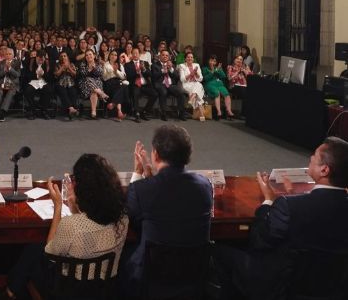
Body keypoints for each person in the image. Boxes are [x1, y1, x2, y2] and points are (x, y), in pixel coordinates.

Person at [215, 137, 348, 300]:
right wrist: (293, 196)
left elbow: (259, 241)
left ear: (324, 170)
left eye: (314, 156)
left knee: (221, 247)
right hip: (333, 287)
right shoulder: (294, 204)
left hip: (282, 285)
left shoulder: (288, 206)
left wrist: (268, 201)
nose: (311, 158)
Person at [6, 154, 129, 299]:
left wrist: (58, 206)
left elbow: (50, 251)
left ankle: (10, 291)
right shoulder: (122, 219)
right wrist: (76, 208)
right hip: (103, 290)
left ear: (83, 189)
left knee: (33, 251)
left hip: (68, 291)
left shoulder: (72, 225)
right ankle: (12, 289)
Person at [121, 125, 213, 296]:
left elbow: (132, 221)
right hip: (193, 275)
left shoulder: (141, 190)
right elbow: (171, 196)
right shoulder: (205, 185)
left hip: (150, 280)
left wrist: (138, 172)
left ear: (155, 154)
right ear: (188, 154)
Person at [151, 50, 187, 121]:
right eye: (163, 55)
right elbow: (154, 76)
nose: (165, 57)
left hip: (170, 85)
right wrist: (162, 71)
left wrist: (171, 69)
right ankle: (163, 113)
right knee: (163, 92)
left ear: (169, 57)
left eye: (167, 55)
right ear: (160, 56)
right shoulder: (155, 65)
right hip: (160, 84)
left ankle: (181, 113)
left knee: (181, 93)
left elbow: (177, 76)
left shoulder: (172, 65)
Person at [124, 48, 158, 123]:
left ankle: (145, 111)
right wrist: (137, 72)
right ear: (131, 55)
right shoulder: (127, 65)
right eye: (133, 53)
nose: (135, 55)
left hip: (145, 85)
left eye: (137, 53)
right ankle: (137, 114)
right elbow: (129, 76)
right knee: (135, 94)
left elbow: (150, 74)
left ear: (139, 54)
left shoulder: (145, 63)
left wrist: (144, 70)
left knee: (155, 94)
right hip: (135, 84)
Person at [77, 49, 109, 119]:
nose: (88, 56)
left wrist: (94, 68)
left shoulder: (98, 63)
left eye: (90, 54)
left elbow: (100, 73)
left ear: (94, 56)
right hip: (85, 86)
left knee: (93, 91)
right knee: (88, 79)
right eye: (87, 55)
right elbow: (83, 74)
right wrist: (90, 69)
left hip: (97, 85)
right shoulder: (83, 64)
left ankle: (93, 112)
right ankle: (102, 94)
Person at [22, 50, 54, 120]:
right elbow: (26, 75)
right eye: (39, 59)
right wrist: (36, 75)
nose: (41, 61)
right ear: (36, 57)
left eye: (42, 60)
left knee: (48, 90)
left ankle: (44, 110)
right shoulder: (30, 61)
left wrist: (43, 74)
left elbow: (50, 77)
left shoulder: (48, 63)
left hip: (43, 81)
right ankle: (32, 110)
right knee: (28, 91)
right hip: (33, 81)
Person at [202, 55, 234, 120]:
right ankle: (219, 111)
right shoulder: (205, 69)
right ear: (208, 61)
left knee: (226, 93)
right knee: (217, 93)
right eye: (211, 60)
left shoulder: (218, 68)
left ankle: (229, 110)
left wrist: (219, 70)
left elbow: (223, 76)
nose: (212, 62)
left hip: (219, 84)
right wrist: (214, 71)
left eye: (214, 61)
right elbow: (205, 79)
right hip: (209, 84)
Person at [177, 52, 207, 122]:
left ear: (193, 59)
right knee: (198, 88)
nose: (190, 58)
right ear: (185, 58)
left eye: (191, 57)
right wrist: (191, 74)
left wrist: (196, 73)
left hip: (195, 84)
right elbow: (182, 79)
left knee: (198, 85)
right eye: (188, 57)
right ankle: (202, 115)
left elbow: (201, 79)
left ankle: (191, 98)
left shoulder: (196, 65)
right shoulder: (182, 66)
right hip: (187, 84)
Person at [0, 47, 20, 122]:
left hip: (13, 85)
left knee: (10, 92)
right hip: (2, 84)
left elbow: (18, 74)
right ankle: (0, 111)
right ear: (4, 55)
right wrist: (4, 70)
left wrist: (10, 69)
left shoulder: (17, 63)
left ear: (13, 55)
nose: (8, 55)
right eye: (6, 54)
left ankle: (1, 113)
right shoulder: (0, 63)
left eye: (10, 54)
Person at [102, 51, 129, 122]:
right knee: (122, 88)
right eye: (112, 54)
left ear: (117, 57)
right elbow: (104, 78)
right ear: (109, 56)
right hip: (109, 83)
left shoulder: (120, 65)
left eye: (115, 55)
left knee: (122, 87)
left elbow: (123, 77)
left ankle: (114, 106)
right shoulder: (106, 64)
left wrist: (116, 71)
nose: (113, 56)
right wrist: (112, 73)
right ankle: (119, 111)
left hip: (117, 82)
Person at [54, 51, 80, 120]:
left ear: (67, 57)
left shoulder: (71, 64)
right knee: (63, 93)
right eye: (62, 56)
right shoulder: (57, 64)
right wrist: (62, 68)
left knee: (73, 92)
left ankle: (70, 111)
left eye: (64, 56)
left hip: (71, 83)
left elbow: (75, 74)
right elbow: (56, 75)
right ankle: (72, 109)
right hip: (60, 83)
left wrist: (69, 68)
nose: (63, 57)